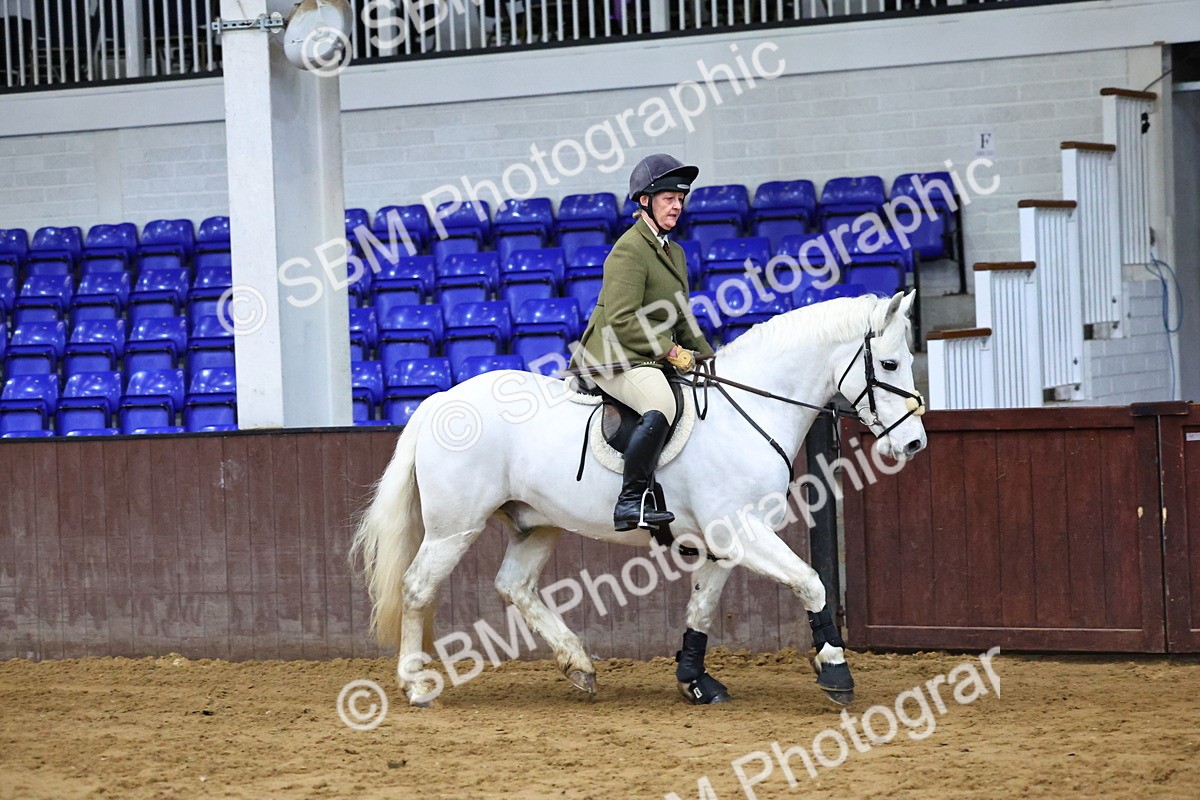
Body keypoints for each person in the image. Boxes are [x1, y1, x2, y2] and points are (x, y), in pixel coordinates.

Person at [568, 154, 716, 532]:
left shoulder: (675, 252)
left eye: (681, 199)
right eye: (669, 198)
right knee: (662, 402)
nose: (677, 206)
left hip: (645, 355)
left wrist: (709, 357)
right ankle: (630, 501)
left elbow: (681, 314)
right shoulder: (628, 249)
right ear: (645, 201)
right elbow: (621, 320)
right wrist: (670, 350)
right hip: (613, 355)